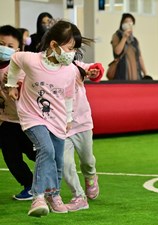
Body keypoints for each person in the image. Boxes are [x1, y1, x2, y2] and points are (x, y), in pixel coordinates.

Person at [6, 20, 102, 217]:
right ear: (53, 45)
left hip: (59, 119)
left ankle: (54, 195)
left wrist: (67, 119)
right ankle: (38, 197)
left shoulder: (70, 70)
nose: (71, 53)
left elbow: (68, 96)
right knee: (46, 150)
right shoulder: (32, 60)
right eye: (69, 48)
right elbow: (15, 59)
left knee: (59, 160)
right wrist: (11, 84)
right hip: (32, 116)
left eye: (74, 49)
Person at [63, 54, 103, 212]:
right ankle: (78, 196)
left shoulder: (76, 66)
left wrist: (94, 70)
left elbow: (95, 69)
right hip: (61, 126)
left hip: (82, 123)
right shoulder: (47, 69)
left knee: (87, 160)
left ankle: (90, 176)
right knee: (65, 163)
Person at [0, 25, 36, 201]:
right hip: (5, 122)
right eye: (0, 44)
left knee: (35, 153)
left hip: (25, 122)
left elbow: (26, 94)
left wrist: (14, 86)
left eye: (9, 45)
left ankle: (52, 176)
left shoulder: (20, 69)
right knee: (12, 159)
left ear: (18, 49)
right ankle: (29, 185)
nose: (4, 48)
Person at [110, 13, 147, 80]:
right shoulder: (117, 36)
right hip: (121, 74)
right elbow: (117, 52)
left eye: (131, 22)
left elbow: (139, 57)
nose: (129, 24)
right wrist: (124, 38)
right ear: (122, 24)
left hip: (136, 75)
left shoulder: (134, 40)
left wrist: (145, 73)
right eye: (126, 22)